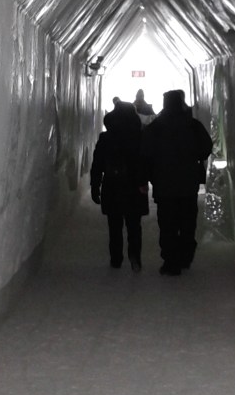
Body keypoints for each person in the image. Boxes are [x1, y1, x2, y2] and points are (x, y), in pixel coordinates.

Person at [140, 88, 212, 275]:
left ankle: (171, 261)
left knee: (168, 223)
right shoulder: (193, 125)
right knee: (187, 221)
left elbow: (145, 153)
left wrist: (147, 176)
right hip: (188, 183)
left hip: (164, 184)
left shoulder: (156, 127)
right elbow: (206, 148)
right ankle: (185, 255)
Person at [89, 101, 148, 270]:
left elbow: (97, 164)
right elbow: (145, 162)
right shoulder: (139, 136)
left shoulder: (106, 138)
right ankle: (135, 256)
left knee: (114, 225)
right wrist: (146, 181)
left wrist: (95, 186)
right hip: (134, 186)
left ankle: (116, 259)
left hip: (112, 185)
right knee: (134, 225)